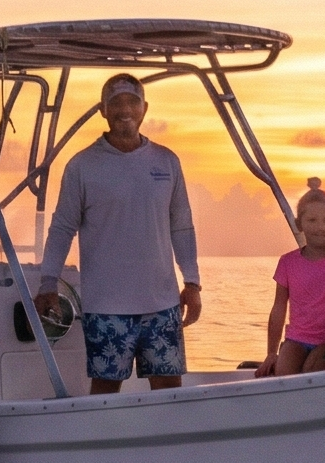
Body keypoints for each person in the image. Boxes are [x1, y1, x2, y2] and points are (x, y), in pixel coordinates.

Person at [35, 73, 201, 393]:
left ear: (144, 108)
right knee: (106, 391)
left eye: (132, 102)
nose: (125, 109)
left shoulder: (167, 162)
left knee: (169, 389)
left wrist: (192, 283)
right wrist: (47, 282)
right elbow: (61, 228)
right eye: (116, 103)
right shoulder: (82, 165)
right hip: (106, 306)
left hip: (163, 305)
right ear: (103, 109)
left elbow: (182, 225)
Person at [258, 185, 325, 376]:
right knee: (284, 372)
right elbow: (278, 309)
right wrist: (271, 353)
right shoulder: (288, 262)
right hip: (296, 339)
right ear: (299, 224)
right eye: (312, 220)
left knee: (311, 372)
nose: (320, 227)